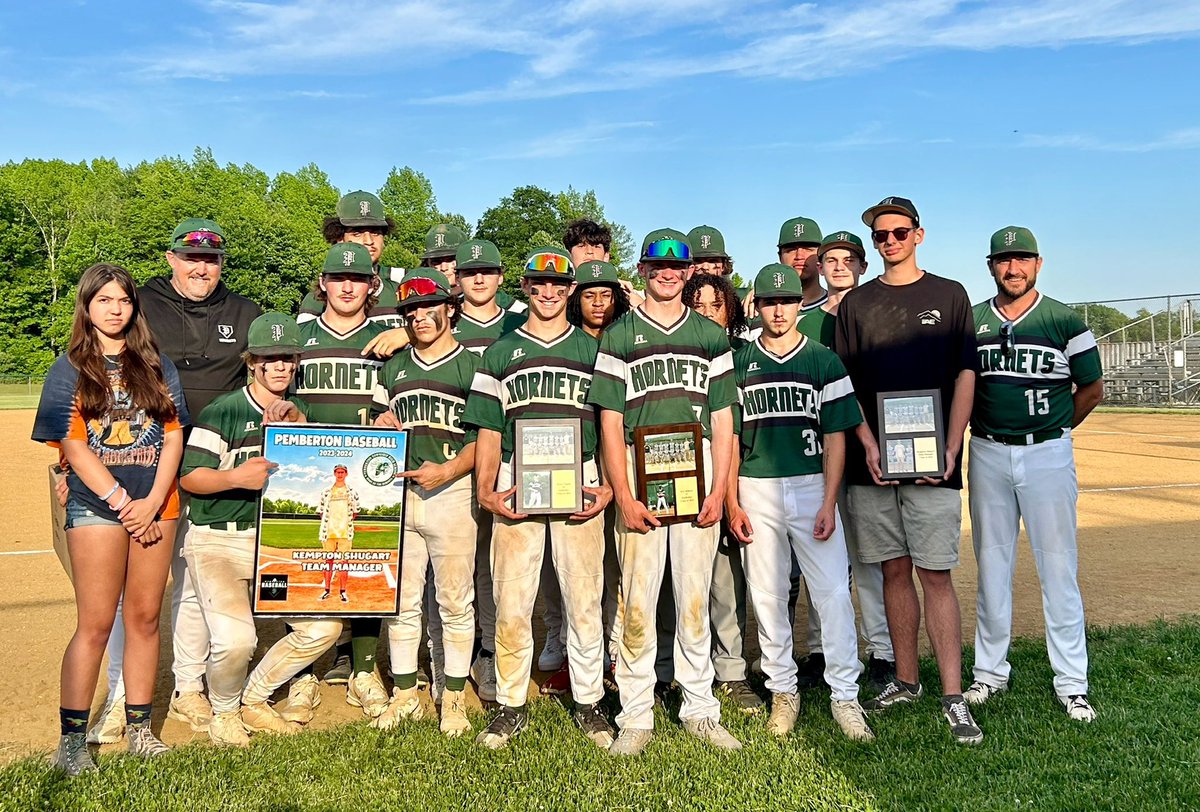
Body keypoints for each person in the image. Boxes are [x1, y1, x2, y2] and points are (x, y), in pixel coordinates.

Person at [835, 196, 982, 744]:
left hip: (933, 462)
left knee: (936, 573)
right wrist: (868, 443)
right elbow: (844, 384)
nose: (889, 241)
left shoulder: (949, 295)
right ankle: (905, 679)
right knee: (893, 571)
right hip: (873, 464)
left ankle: (953, 694)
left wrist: (951, 444)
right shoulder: (857, 304)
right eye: (880, 235)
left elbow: (965, 373)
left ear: (919, 234)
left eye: (899, 232)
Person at [589, 229, 741, 755]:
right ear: (643, 270)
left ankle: (700, 707)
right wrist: (623, 492)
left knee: (693, 598)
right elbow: (609, 422)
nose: (668, 274)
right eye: (657, 267)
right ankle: (636, 713)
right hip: (638, 470)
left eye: (676, 267)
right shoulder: (620, 334)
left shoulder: (709, 334)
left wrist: (720, 489)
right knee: (638, 599)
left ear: (689, 271)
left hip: (697, 471)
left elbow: (724, 420)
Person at [110, 219, 261, 742]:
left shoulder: (245, 313)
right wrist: (69, 463)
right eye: (191, 257)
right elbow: (99, 371)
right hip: (144, 461)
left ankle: (187, 687)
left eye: (212, 259)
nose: (202, 267)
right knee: (135, 588)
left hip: (217, 465)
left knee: (194, 579)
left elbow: (270, 374)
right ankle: (115, 696)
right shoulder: (140, 305)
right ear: (171, 258)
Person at [34, 263, 188, 774]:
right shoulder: (69, 367)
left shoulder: (157, 364)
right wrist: (125, 503)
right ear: (88, 307)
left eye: (123, 300)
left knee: (145, 620)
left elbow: (172, 435)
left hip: (156, 506)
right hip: (99, 505)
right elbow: (73, 446)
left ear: (134, 307)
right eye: (104, 301)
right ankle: (72, 744)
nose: (115, 309)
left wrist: (153, 500)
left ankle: (140, 729)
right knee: (96, 625)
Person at [465, 246, 614, 749]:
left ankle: (590, 701)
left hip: (582, 476)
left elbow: (612, 425)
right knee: (512, 598)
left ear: (570, 290)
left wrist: (610, 484)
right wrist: (486, 488)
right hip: (516, 477)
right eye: (538, 284)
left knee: (584, 597)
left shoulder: (594, 351)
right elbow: (487, 426)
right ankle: (510, 704)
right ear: (525, 289)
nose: (548, 292)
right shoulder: (501, 350)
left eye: (557, 285)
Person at [178, 312, 344, 746]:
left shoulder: (297, 412)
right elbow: (190, 477)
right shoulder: (225, 410)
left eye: (287, 358)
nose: (280, 367)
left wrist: (300, 429)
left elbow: (311, 473)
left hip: (271, 542)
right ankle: (225, 712)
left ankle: (253, 698)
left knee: (322, 627)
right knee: (237, 639)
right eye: (270, 359)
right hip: (218, 538)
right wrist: (235, 477)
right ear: (252, 362)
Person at [725, 262, 873, 741]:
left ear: (797, 304)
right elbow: (727, 438)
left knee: (831, 593)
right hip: (757, 485)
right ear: (758, 306)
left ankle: (845, 696)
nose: (779, 310)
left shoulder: (823, 360)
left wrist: (829, 501)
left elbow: (835, 437)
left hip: (812, 486)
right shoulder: (739, 361)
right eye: (770, 301)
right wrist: (732, 500)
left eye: (787, 301)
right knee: (767, 597)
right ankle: (783, 691)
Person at [964, 226, 1104, 722]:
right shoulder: (973, 320)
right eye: (1004, 260)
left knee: (1059, 569)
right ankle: (988, 674)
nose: (1013, 268)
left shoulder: (1063, 319)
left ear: (1038, 264)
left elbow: (1091, 389)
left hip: (1047, 452)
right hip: (986, 449)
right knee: (992, 567)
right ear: (991, 266)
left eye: (1022, 259)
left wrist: (1056, 428)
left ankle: (1072, 683)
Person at [371, 270, 479, 738]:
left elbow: (488, 438)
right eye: (411, 310)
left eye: (429, 306)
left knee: (455, 600)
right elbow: (376, 421)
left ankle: (452, 695)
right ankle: (404, 692)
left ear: (450, 308)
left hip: (453, 492)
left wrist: (450, 470)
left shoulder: (472, 365)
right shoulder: (393, 367)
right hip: (401, 491)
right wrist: (381, 420)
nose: (419, 316)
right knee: (400, 601)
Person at [287, 242, 392, 720]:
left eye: (357, 279)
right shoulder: (299, 332)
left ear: (373, 285)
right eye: (337, 278)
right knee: (306, 572)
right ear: (323, 284)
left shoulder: (390, 336)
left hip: (368, 472)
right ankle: (303, 673)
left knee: (367, 565)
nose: (346, 286)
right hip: (307, 468)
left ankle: (364, 670)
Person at [795, 231, 896, 692]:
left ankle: (881, 650)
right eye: (829, 259)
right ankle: (819, 649)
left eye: (847, 259)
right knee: (825, 552)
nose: (837, 266)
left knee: (869, 553)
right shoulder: (806, 319)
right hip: (819, 447)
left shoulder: (875, 308)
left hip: (868, 443)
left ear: (862, 265)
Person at [447, 238, 525, 704]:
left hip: (511, 456)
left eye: (487, 271)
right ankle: (458, 658)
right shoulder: (441, 321)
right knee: (457, 574)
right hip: (455, 453)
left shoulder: (519, 324)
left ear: (500, 277)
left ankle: (495, 655)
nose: (478, 279)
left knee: (497, 571)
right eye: (469, 272)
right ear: (457, 278)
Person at [681, 271, 760, 714]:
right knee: (680, 581)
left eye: (716, 305)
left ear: (730, 308)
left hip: (739, 476)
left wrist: (732, 496)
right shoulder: (675, 350)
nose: (708, 314)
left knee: (727, 580)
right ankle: (675, 669)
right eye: (698, 306)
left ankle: (731, 669)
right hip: (683, 478)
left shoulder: (746, 354)